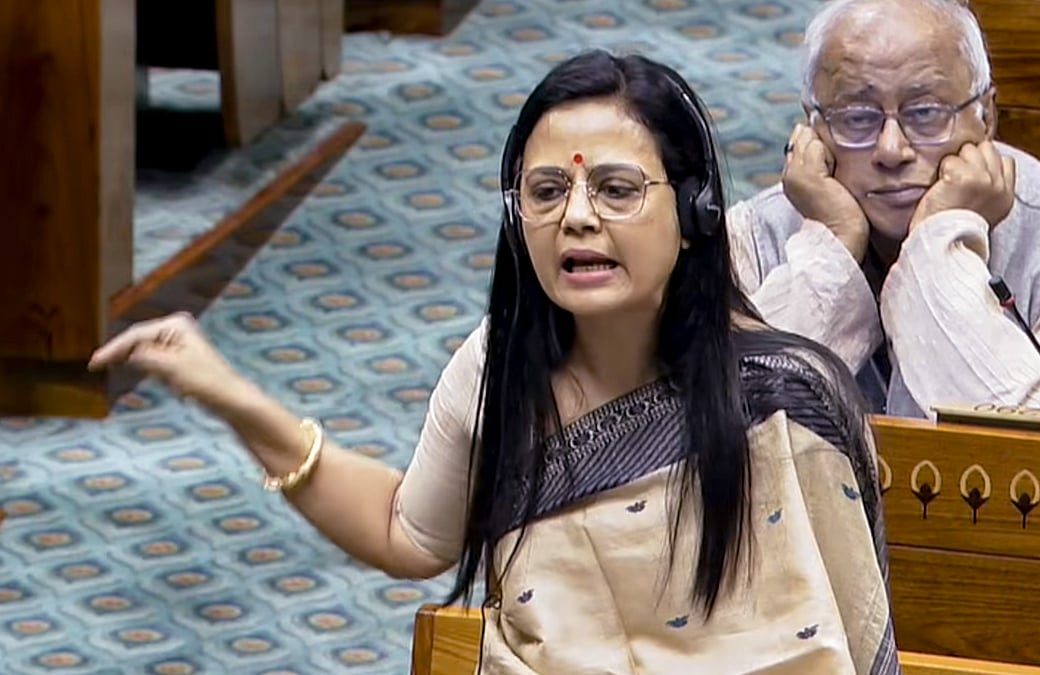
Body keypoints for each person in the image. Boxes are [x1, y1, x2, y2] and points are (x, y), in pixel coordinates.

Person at [90, 51, 899, 674]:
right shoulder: (499, 365)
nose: (576, 217)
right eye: (546, 193)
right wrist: (233, 398)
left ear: (694, 212)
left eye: (616, 190)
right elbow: (407, 531)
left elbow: (843, 643)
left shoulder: (785, 398)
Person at [727, 0, 1040, 421]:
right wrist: (833, 250)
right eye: (857, 117)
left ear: (987, 115)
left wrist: (936, 250)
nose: (892, 150)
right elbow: (719, 436)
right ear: (812, 126)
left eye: (926, 113)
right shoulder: (751, 236)